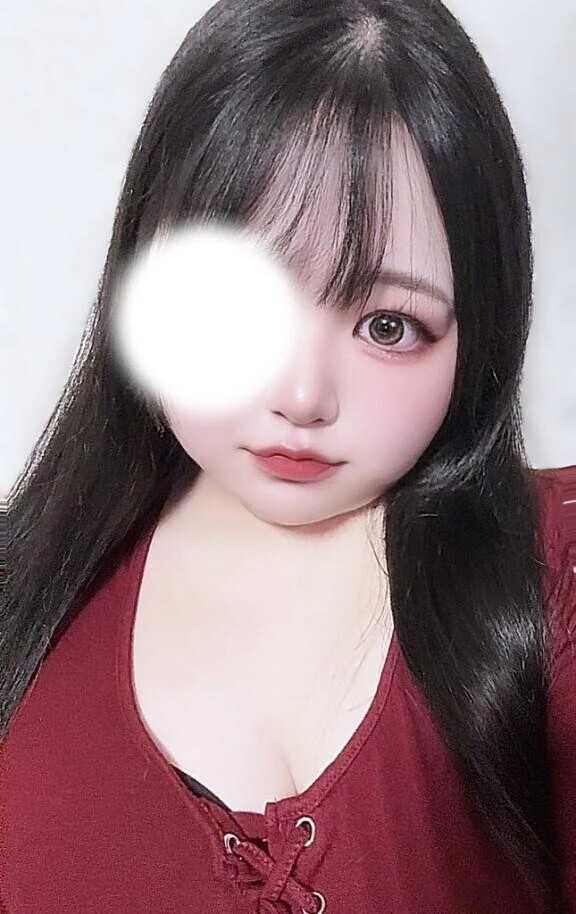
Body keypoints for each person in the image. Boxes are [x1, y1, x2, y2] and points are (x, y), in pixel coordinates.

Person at [2, 1, 575, 912]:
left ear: (481, 331)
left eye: (388, 325)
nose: (303, 397)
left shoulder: (556, 575)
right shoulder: (20, 598)